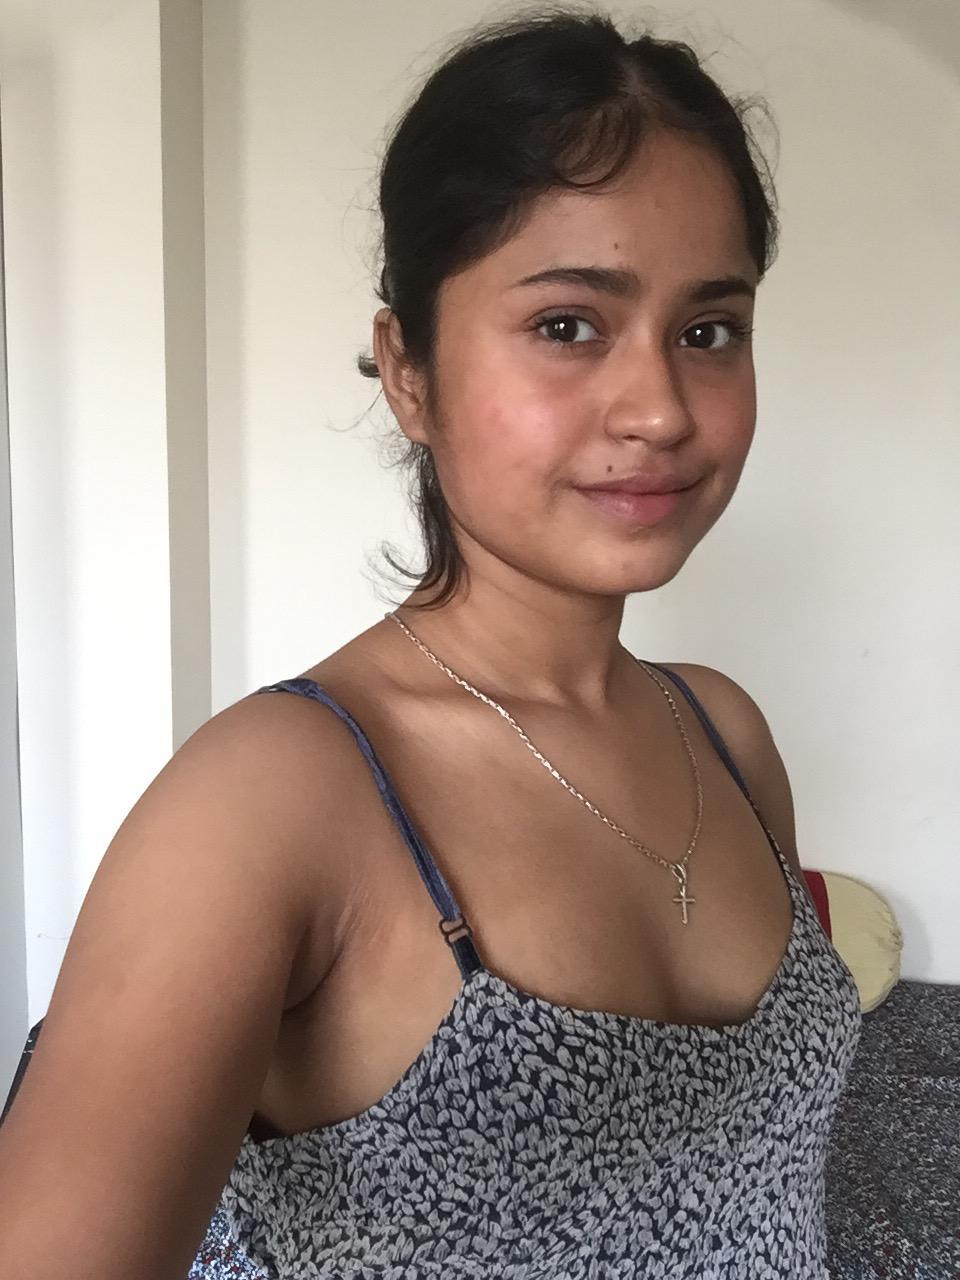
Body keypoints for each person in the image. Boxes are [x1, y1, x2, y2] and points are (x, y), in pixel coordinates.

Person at [0, 8, 863, 1278]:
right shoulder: (273, 802)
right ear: (409, 371)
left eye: (708, 330)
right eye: (568, 324)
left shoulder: (725, 733)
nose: (661, 409)